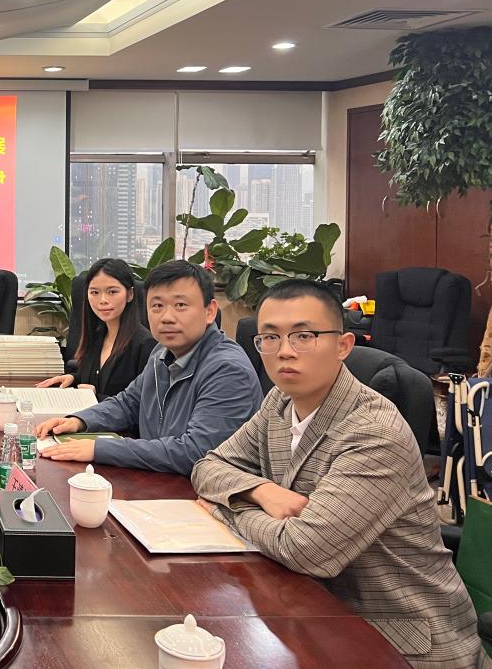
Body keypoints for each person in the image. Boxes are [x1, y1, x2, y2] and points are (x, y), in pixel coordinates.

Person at [192, 280, 482, 669]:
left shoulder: (374, 432)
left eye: (304, 336)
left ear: (343, 345)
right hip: (313, 612)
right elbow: (207, 467)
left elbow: (305, 550)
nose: (285, 351)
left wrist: (224, 509)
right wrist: (261, 491)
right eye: (270, 338)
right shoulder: (280, 401)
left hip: (401, 640)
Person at [34, 260, 261, 474]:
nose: (167, 317)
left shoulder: (228, 370)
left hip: (201, 492)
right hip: (160, 479)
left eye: (180, 305)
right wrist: (79, 421)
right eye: (157, 306)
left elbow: (196, 452)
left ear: (210, 311)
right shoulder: (161, 352)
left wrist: (99, 448)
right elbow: (128, 403)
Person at [36, 258, 156, 399]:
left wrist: (95, 397)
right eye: (94, 292)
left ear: (130, 294)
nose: (102, 300)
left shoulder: (145, 344)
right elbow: (97, 378)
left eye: (112, 292)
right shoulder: (97, 335)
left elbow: (144, 403)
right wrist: (74, 378)